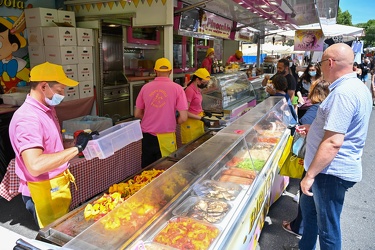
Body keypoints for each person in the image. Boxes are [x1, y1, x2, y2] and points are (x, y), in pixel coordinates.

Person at [297, 43, 372, 250]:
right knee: (310, 214)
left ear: (329, 63)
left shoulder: (343, 93)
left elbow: (333, 142)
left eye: (320, 64)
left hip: (329, 173)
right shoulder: (356, 87)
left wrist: (310, 175)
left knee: (328, 229)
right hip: (326, 171)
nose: (319, 69)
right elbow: (338, 129)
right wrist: (313, 129)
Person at [8, 62, 94, 228]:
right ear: (44, 86)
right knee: (52, 235)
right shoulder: (28, 118)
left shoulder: (47, 108)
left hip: (57, 184)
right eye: (60, 90)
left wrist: (76, 141)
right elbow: (35, 165)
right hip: (44, 189)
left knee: (64, 229)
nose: (62, 94)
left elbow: (53, 144)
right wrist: (77, 149)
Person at [282, 79, 330, 237]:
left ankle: (299, 228)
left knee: (307, 199)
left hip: (314, 159)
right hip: (321, 159)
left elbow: (300, 124)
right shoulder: (326, 107)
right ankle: (302, 229)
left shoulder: (316, 108)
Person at [135, 58, 188, 168]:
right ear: (170, 71)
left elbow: (137, 114)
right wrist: (172, 120)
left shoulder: (145, 88)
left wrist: (151, 118)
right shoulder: (178, 89)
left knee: (147, 170)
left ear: (155, 71)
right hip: (167, 135)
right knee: (166, 169)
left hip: (148, 136)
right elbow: (183, 118)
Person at [181, 68, 211, 144]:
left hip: (197, 122)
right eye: (204, 83)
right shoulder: (190, 91)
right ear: (197, 80)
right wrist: (201, 118)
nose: (205, 85)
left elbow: (195, 106)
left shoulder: (197, 89)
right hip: (190, 124)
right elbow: (185, 112)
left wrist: (204, 112)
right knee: (190, 147)